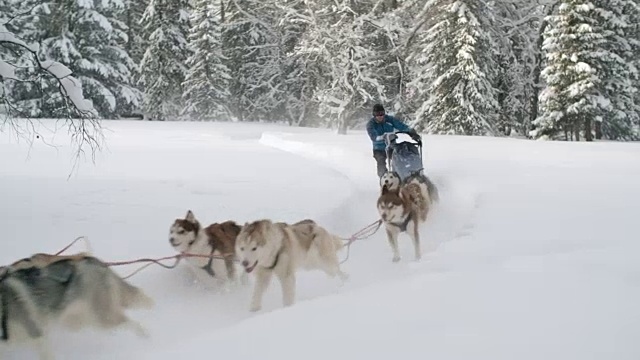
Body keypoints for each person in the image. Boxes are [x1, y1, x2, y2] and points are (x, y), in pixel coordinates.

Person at [366, 103, 419, 178]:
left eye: (382, 114)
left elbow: (401, 126)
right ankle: (384, 180)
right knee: (381, 163)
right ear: (374, 115)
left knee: (398, 160)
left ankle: (401, 177)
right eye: (377, 114)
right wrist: (384, 136)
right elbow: (374, 137)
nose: (380, 116)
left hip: (392, 145)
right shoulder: (370, 125)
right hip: (379, 148)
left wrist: (411, 132)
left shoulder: (390, 120)